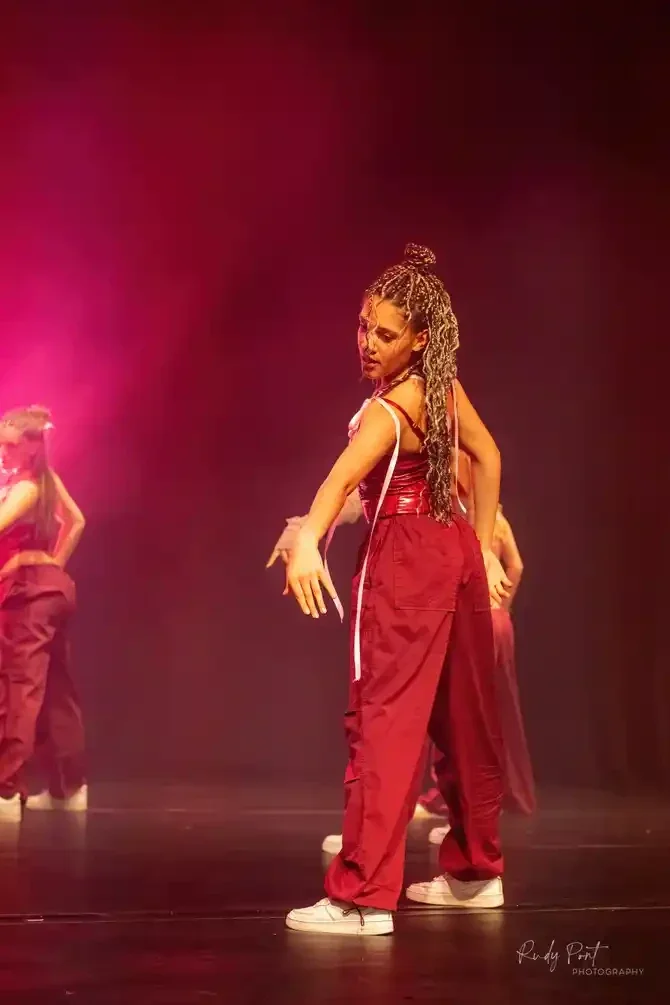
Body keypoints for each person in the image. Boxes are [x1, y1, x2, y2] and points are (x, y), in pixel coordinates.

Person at [271, 244, 510, 936]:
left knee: (383, 722)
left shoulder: (390, 408)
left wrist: (308, 540)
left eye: (384, 333)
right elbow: (488, 455)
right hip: (451, 548)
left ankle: (361, 897)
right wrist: (480, 544)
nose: (368, 343)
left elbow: (340, 479)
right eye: (363, 327)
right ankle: (476, 873)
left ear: (420, 339)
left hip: (405, 561)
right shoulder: (441, 389)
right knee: (464, 721)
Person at [426, 502, 536, 847]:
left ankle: (465, 805)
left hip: (475, 619)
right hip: (500, 621)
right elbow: (516, 565)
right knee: (498, 708)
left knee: (463, 714)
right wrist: (504, 605)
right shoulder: (499, 520)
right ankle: (497, 796)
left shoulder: (463, 519)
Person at [0, 406, 87, 821]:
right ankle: (69, 789)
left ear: (31, 447)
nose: (3, 452)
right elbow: (77, 521)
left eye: (9, 445)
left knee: (20, 685)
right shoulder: (43, 480)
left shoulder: (26, 487)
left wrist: (33, 564)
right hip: (50, 588)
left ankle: (5, 791)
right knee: (54, 689)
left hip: (30, 593)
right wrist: (54, 563)